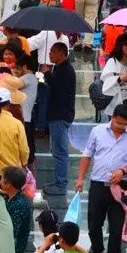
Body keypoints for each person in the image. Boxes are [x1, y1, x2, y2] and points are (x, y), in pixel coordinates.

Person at [75, 104, 127, 253]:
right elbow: (87, 155)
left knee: (116, 225)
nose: (121, 127)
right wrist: (81, 178)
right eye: (118, 123)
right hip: (98, 184)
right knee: (94, 223)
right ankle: (97, 252)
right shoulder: (97, 132)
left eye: (125, 124)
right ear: (112, 117)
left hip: (120, 186)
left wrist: (122, 172)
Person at [45, 41, 76, 193]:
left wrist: (46, 74)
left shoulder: (66, 70)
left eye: (53, 51)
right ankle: (59, 181)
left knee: (60, 150)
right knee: (56, 149)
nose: (50, 54)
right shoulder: (60, 68)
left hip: (60, 115)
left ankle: (61, 183)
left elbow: (58, 90)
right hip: (57, 114)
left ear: (62, 53)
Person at [1, 165, 33, 253]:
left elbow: (13, 231)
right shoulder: (7, 197)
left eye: (2, 178)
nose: (0, 180)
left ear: (8, 184)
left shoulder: (20, 204)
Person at [100, 32, 127, 113]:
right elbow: (106, 82)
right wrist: (120, 78)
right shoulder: (112, 61)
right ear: (120, 45)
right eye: (126, 44)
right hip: (115, 104)